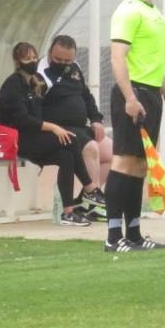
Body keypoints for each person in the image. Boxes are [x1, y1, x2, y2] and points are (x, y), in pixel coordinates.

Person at [0, 43, 100, 226]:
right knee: (70, 140)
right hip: (12, 140)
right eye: (27, 59)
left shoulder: (33, 83)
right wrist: (52, 128)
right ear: (17, 61)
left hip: (30, 139)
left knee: (66, 156)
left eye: (34, 58)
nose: (32, 62)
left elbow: (36, 117)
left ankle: (68, 212)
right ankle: (91, 189)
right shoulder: (14, 83)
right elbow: (21, 120)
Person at [104, 0, 165, 251]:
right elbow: (118, 57)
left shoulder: (154, 12)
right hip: (133, 94)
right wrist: (130, 97)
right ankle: (113, 237)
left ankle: (133, 234)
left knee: (141, 165)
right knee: (124, 161)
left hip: (150, 94)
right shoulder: (128, 11)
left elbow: (155, 61)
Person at [39, 35, 110, 221]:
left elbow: (86, 96)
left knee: (110, 152)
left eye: (67, 60)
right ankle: (93, 199)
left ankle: (86, 200)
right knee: (91, 148)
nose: (63, 64)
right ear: (49, 53)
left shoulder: (75, 67)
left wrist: (95, 119)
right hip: (58, 129)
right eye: (58, 60)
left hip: (80, 127)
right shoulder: (40, 74)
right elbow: (34, 110)